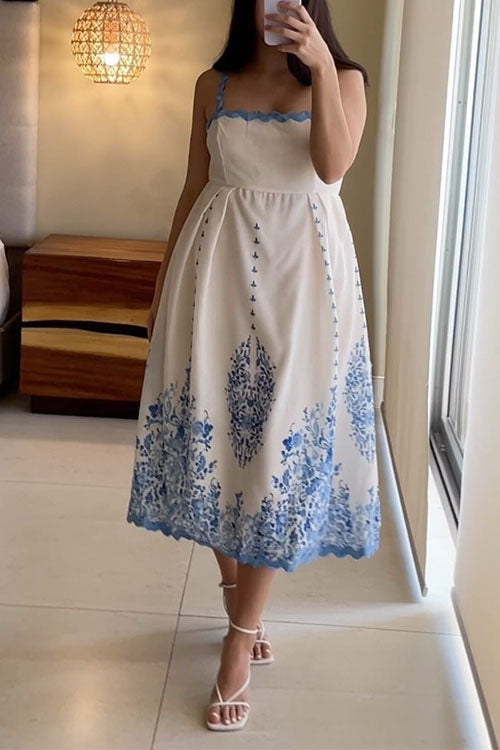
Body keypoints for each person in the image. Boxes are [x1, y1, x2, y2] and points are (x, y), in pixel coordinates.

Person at [126, 0, 381, 732]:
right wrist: (161, 283)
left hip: (305, 288)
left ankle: (239, 641)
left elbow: (332, 167)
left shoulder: (346, 80)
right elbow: (193, 185)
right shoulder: (213, 84)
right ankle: (240, 599)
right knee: (214, 441)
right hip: (214, 277)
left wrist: (322, 64)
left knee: (275, 453)